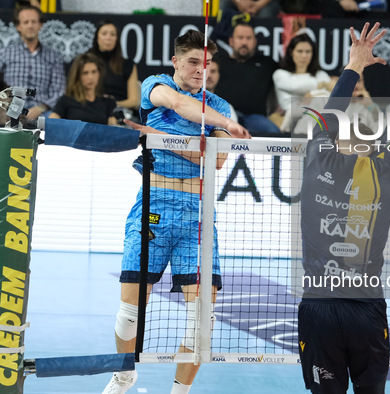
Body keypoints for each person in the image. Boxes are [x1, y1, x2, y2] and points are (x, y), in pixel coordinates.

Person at [102, 29, 249, 394]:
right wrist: (217, 131)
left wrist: (157, 137)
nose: (202, 70)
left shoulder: (219, 106)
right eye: (194, 62)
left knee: (201, 323)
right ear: (176, 62)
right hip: (154, 207)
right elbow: (180, 106)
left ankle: (178, 393)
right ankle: (124, 375)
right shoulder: (157, 86)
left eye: (208, 63)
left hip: (197, 216)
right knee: (129, 315)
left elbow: (213, 161)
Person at [298, 22, 390, 394]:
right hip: (366, 309)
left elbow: (330, 113)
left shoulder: (316, 166)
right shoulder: (384, 171)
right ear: (370, 147)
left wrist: (355, 64)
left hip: (319, 308)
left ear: (334, 142)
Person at [213, 21, 282, 136]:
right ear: (231, 41)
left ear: (255, 42)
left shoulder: (267, 63)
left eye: (248, 38)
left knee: (275, 134)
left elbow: (289, 74)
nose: (244, 42)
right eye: (240, 38)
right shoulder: (219, 62)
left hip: (254, 118)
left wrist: (283, 106)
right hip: (224, 114)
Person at [0, 5, 65, 120]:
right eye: (26, 22)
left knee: (56, 119)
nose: (30, 26)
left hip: (42, 111)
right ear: (18, 26)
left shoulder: (54, 56)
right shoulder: (5, 53)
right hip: (8, 108)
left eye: (33, 22)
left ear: (40, 25)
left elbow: (58, 91)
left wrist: (40, 108)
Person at [272, 33, 331, 132]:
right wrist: (322, 86)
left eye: (308, 51)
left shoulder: (321, 75)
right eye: (300, 51)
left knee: (322, 101)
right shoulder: (280, 74)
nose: (304, 55)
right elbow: (294, 86)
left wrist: (311, 95)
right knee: (320, 100)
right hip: (290, 116)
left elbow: (330, 97)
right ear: (291, 52)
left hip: (318, 116)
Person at [88, 20, 140, 118]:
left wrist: (112, 104)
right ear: (96, 37)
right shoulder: (86, 63)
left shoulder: (128, 64)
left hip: (119, 110)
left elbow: (133, 100)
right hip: (91, 109)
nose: (108, 38)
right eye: (104, 33)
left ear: (117, 38)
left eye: (112, 34)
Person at [49, 53, 117, 125]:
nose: (90, 77)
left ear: (99, 73)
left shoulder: (108, 102)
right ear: (78, 76)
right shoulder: (66, 100)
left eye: (94, 72)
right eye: (85, 73)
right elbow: (50, 125)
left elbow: (114, 129)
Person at [206, 57, 238, 123]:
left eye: (213, 71)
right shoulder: (187, 101)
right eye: (206, 71)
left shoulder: (227, 107)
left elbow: (232, 132)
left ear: (219, 75)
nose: (209, 75)